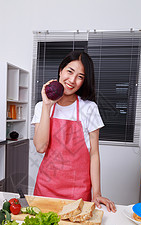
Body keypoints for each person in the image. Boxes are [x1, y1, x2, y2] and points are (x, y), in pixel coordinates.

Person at [31, 50, 116, 212]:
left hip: (77, 191)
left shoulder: (89, 108)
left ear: (84, 81)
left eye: (80, 76)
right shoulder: (42, 107)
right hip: (46, 188)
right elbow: (40, 147)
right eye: (70, 71)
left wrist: (96, 192)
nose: (72, 80)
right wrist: (47, 105)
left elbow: (94, 154)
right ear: (60, 70)